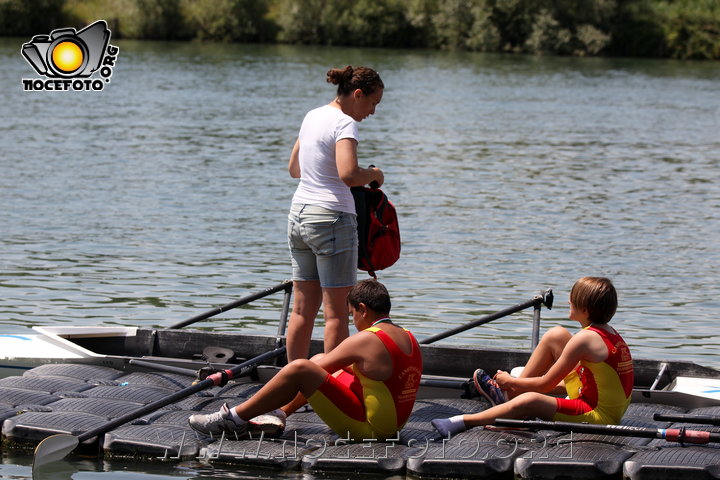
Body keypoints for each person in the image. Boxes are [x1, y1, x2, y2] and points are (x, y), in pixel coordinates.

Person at [188, 279, 423, 441]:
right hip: (393, 426)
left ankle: (233, 420)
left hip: (372, 432)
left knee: (301, 367)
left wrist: (279, 387)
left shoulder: (366, 339)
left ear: (362, 309)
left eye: (351, 314)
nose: (353, 321)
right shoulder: (408, 336)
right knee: (320, 358)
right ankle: (279, 413)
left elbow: (300, 373)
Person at [432, 276, 634, 437]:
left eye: (572, 298)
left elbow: (545, 385)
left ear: (584, 309)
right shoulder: (608, 332)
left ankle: (462, 421)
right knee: (557, 335)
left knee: (530, 400)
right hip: (600, 402)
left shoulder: (584, 339)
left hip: (597, 415)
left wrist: (510, 381)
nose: (568, 301)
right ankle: (507, 398)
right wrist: (519, 382)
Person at [286, 66, 386, 362]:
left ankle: (295, 382)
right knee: (337, 315)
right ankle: (332, 389)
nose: (373, 111)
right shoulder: (345, 124)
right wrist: (375, 174)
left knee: (302, 310)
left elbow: (294, 170)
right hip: (332, 219)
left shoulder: (312, 116)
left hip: (299, 215)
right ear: (357, 95)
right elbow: (348, 174)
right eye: (373, 103)